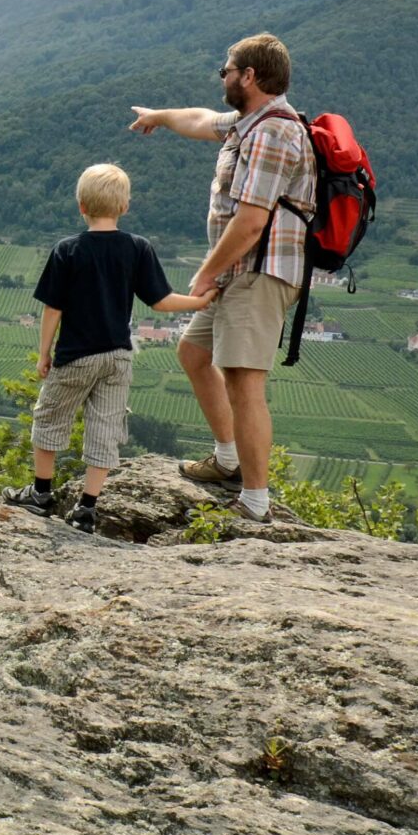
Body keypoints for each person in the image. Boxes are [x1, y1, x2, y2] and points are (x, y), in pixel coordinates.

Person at [126, 32, 317, 521]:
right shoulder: (247, 123)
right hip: (238, 273)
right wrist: (160, 118)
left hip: (259, 273)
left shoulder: (276, 132)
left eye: (226, 70)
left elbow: (253, 220)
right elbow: (201, 120)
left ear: (249, 77)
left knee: (243, 382)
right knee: (193, 353)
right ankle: (228, 461)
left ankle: (255, 502)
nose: (222, 77)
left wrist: (205, 272)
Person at [6, 163, 210, 533]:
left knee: (50, 417)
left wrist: (43, 354)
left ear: (81, 206)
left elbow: (53, 307)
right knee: (106, 427)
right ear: (125, 206)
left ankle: (40, 495)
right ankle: (87, 509)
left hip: (76, 355)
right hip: (118, 356)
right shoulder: (137, 248)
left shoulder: (67, 250)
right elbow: (161, 302)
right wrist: (201, 301)